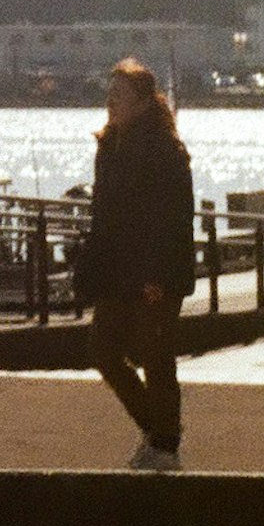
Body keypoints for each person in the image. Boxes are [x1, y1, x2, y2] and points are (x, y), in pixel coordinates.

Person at [73, 58, 195, 469]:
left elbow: (174, 216)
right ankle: (158, 432)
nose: (110, 103)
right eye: (108, 94)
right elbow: (103, 214)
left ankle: (165, 446)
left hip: (155, 271)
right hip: (118, 269)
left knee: (156, 354)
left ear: (143, 102)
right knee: (103, 349)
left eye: (118, 95)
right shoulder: (110, 146)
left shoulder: (164, 149)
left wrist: (158, 273)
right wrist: (91, 262)